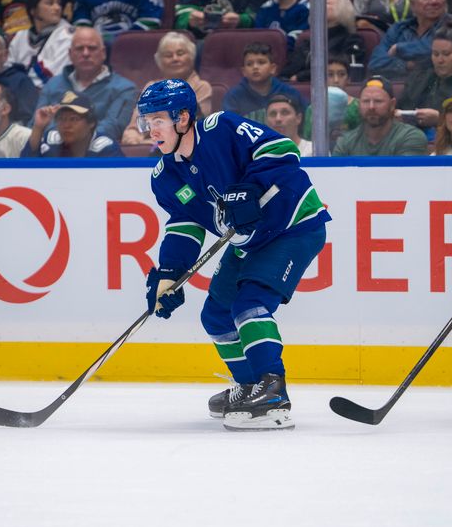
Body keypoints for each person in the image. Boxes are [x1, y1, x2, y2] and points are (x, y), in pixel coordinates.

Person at [136, 79, 331, 430]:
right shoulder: (165, 175)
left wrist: (250, 189)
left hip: (293, 225)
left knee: (250, 305)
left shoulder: (222, 127)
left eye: (158, 120)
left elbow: (283, 150)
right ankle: (247, 386)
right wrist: (170, 272)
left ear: (183, 118)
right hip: (250, 241)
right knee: (216, 316)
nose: (151, 130)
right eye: (146, 122)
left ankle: (272, 389)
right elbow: (185, 223)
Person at [33, 27, 138, 141]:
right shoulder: (52, 85)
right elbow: (36, 124)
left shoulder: (124, 88)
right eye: (79, 48)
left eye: (92, 48)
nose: (86, 53)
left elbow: (112, 128)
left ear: (103, 53)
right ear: (70, 54)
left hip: (97, 155)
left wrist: (67, 137)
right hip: (51, 155)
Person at [122, 31, 213, 145]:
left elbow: (191, 128)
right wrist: (133, 136)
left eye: (180, 53)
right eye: (168, 55)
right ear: (160, 62)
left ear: (191, 57)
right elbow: (136, 127)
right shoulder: (151, 87)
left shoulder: (201, 87)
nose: (175, 59)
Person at [333, 75, 428, 156]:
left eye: (378, 101)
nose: (371, 107)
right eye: (366, 101)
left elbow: (404, 175)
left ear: (392, 105)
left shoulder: (410, 137)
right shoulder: (345, 142)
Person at [280, 0, 366, 82]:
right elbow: (287, 72)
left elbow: (343, 72)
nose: (318, 6)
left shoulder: (351, 41)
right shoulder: (307, 42)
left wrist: (301, 77)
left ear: (343, 9)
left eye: (327, 3)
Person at [368, 0, 452, 80]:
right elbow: (375, 63)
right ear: (412, 4)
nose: (434, 1)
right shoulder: (398, 28)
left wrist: (399, 48)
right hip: (401, 87)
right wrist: (408, 65)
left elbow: (435, 50)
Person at [222, 42, 307, 123]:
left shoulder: (290, 92)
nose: (255, 67)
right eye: (249, 64)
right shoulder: (233, 97)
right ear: (244, 71)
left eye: (261, 62)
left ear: (272, 68)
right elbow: (230, 128)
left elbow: (306, 121)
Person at [22, 91, 124, 157]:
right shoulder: (51, 141)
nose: (66, 125)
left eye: (73, 119)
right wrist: (38, 128)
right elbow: (25, 169)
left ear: (91, 122)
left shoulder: (105, 147)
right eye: (61, 119)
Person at [7, 0, 75, 88]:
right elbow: (7, 69)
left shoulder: (68, 36)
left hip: (52, 97)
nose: (57, 8)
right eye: (50, 3)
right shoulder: (20, 37)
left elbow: (53, 78)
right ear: (33, 10)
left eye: (58, 3)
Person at [302, 56, 362, 142]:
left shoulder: (359, 107)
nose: (336, 80)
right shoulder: (313, 109)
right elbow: (309, 141)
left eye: (342, 74)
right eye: (330, 74)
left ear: (349, 79)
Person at [72, 0, 164, 43]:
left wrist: (122, 41)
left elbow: (151, 21)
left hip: (132, 47)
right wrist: (94, 41)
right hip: (95, 46)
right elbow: (81, 23)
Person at [174, 0, 270, 39]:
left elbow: (260, 17)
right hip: (199, 40)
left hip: (243, 42)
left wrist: (241, 20)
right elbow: (179, 12)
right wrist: (189, 18)